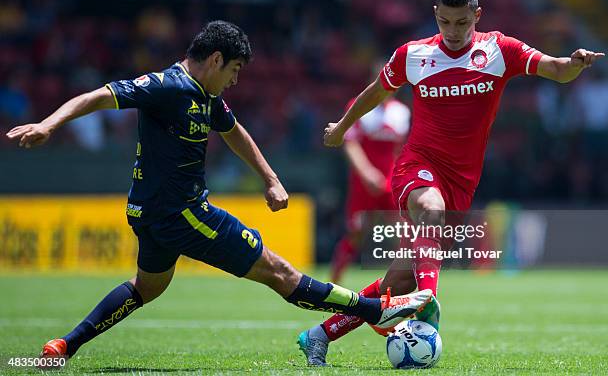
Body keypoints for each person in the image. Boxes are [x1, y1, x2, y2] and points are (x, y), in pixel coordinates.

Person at [6, 20, 434, 364]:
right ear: (215, 59)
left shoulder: (204, 95)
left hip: (150, 214)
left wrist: (270, 178)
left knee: (148, 287)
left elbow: (234, 132)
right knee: (279, 273)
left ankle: (63, 347)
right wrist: (48, 124)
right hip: (185, 214)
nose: (234, 80)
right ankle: (373, 310)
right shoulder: (166, 86)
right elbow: (99, 96)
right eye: (234, 70)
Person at [298, 0, 605, 366]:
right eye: (445, 22)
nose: (454, 31)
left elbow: (555, 69)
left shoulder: (499, 49)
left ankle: (319, 335)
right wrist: (341, 128)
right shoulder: (412, 55)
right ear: (435, 16)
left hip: (462, 183)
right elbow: (376, 92)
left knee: (395, 284)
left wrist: (573, 64)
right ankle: (428, 302)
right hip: (417, 166)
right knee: (432, 209)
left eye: (462, 22)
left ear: (476, 16)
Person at [330, 95, 410, 284]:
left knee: (403, 232)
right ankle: (334, 284)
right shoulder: (359, 106)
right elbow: (350, 142)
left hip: (391, 181)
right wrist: (366, 173)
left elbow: (401, 148)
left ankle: (404, 285)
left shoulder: (401, 112)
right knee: (356, 232)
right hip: (363, 182)